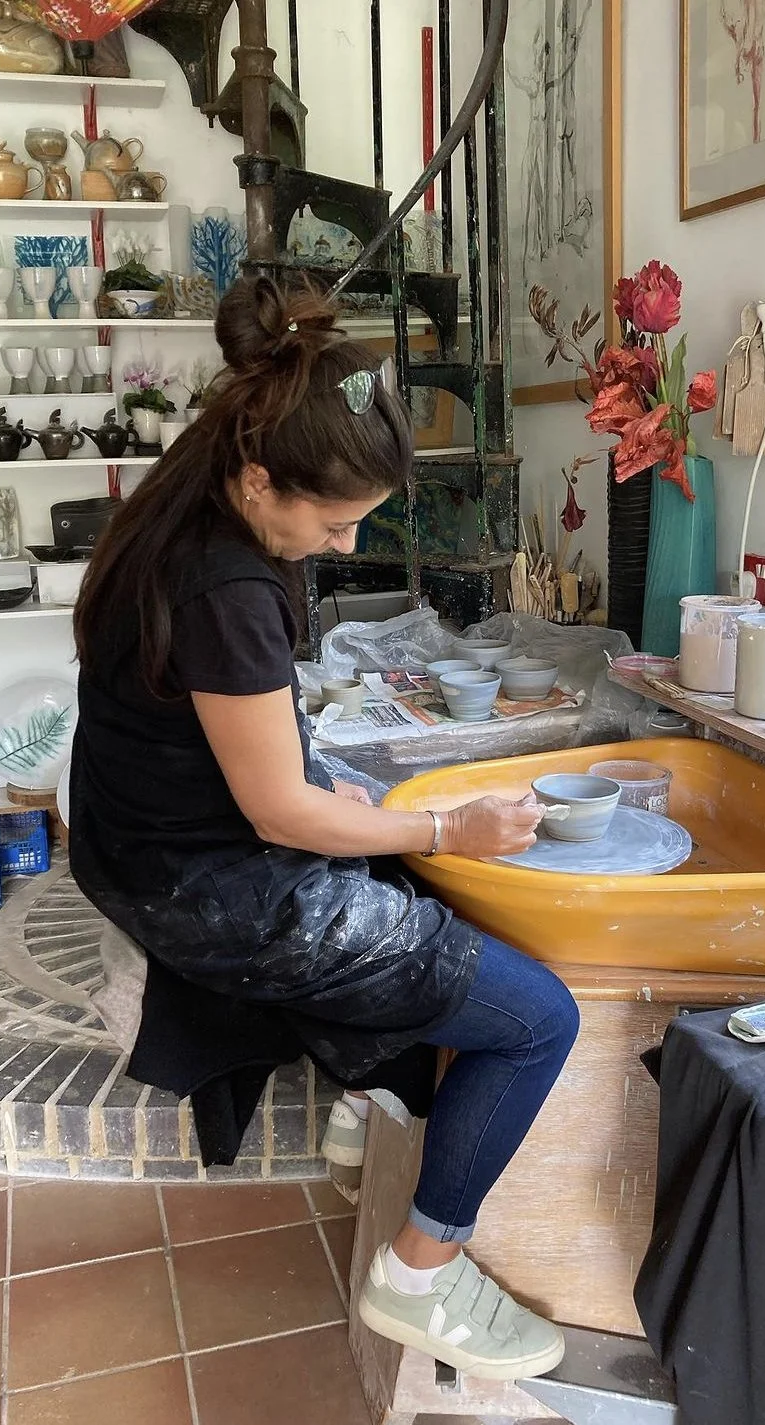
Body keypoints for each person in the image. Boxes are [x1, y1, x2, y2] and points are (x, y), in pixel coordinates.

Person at [69, 275, 580, 1381]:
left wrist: (350, 807)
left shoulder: (187, 493)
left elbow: (255, 754)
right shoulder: (223, 585)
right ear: (259, 482)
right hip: (196, 882)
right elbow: (274, 809)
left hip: (140, 837)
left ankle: (374, 1100)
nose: (339, 541)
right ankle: (422, 1276)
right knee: (538, 1016)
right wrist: (446, 825)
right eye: (333, 522)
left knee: (389, 856)